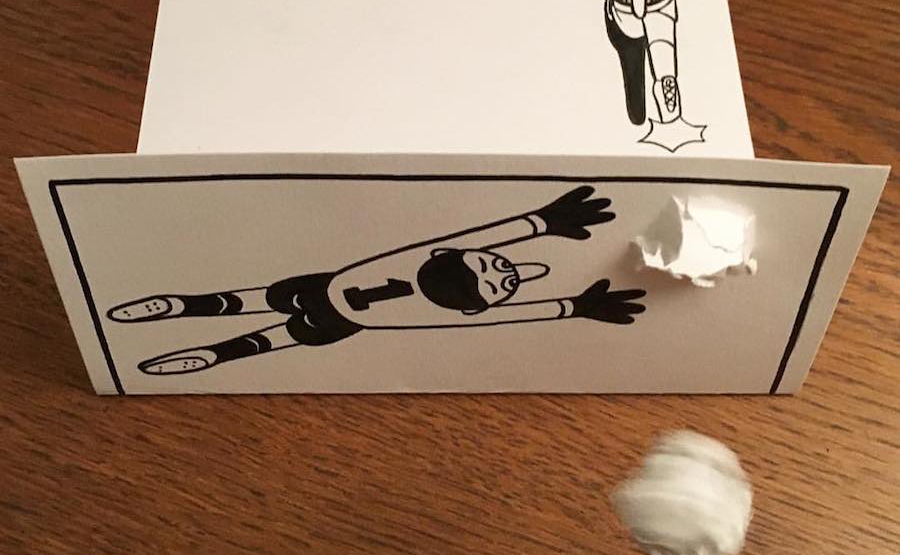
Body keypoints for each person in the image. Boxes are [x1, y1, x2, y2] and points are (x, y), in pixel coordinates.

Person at [107, 186, 646, 375]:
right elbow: (486, 250)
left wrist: (568, 299)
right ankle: (185, 312)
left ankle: (208, 347)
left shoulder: (437, 288)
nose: (498, 270)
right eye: (491, 267)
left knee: (265, 328)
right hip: (329, 294)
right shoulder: (433, 269)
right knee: (253, 308)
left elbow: (491, 275)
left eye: (495, 280)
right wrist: (539, 227)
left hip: (338, 312)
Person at [553, 0, 711, 138]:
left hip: (660, 14)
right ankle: (638, 112)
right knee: (633, 72)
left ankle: (671, 121)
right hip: (624, 23)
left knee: (666, 75)